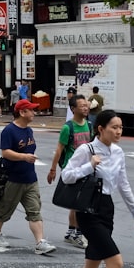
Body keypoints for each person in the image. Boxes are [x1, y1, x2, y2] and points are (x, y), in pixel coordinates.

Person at [60, 110, 134, 268]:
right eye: (114, 127)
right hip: (88, 210)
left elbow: (123, 185)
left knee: (93, 261)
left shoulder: (118, 152)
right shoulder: (86, 150)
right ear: (100, 129)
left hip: (107, 209)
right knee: (116, 262)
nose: (119, 131)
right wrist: (89, 166)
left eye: (121, 127)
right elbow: (66, 176)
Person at [0, 98, 56, 254]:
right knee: (4, 210)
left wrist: (29, 157)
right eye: (31, 110)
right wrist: (24, 157)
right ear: (22, 112)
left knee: (35, 211)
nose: (34, 112)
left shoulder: (29, 130)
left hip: (30, 178)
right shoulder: (9, 131)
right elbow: (5, 152)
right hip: (13, 178)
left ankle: (40, 242)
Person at [47, 94, 92, 249]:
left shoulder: (89, 125)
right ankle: (77, 234)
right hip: (71, 168)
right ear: (73, 109)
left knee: (77, 202)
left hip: (85, 168)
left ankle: (70, 232)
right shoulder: (68, 127)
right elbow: (59, 149)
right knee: (79, 202)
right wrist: (53, 169)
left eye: (86, 105)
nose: (86, 108)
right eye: (82, 106)